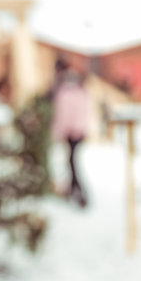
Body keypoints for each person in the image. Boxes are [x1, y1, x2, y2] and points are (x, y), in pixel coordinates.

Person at [50, 64, 90, 208]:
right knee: (71, 161)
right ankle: (74, 190)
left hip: (71, 132)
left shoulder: (65, 93)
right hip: (77, 132)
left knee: (72, 162)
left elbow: (63, 115)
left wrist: (60, 132)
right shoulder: (80, 91)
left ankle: (79, 191)